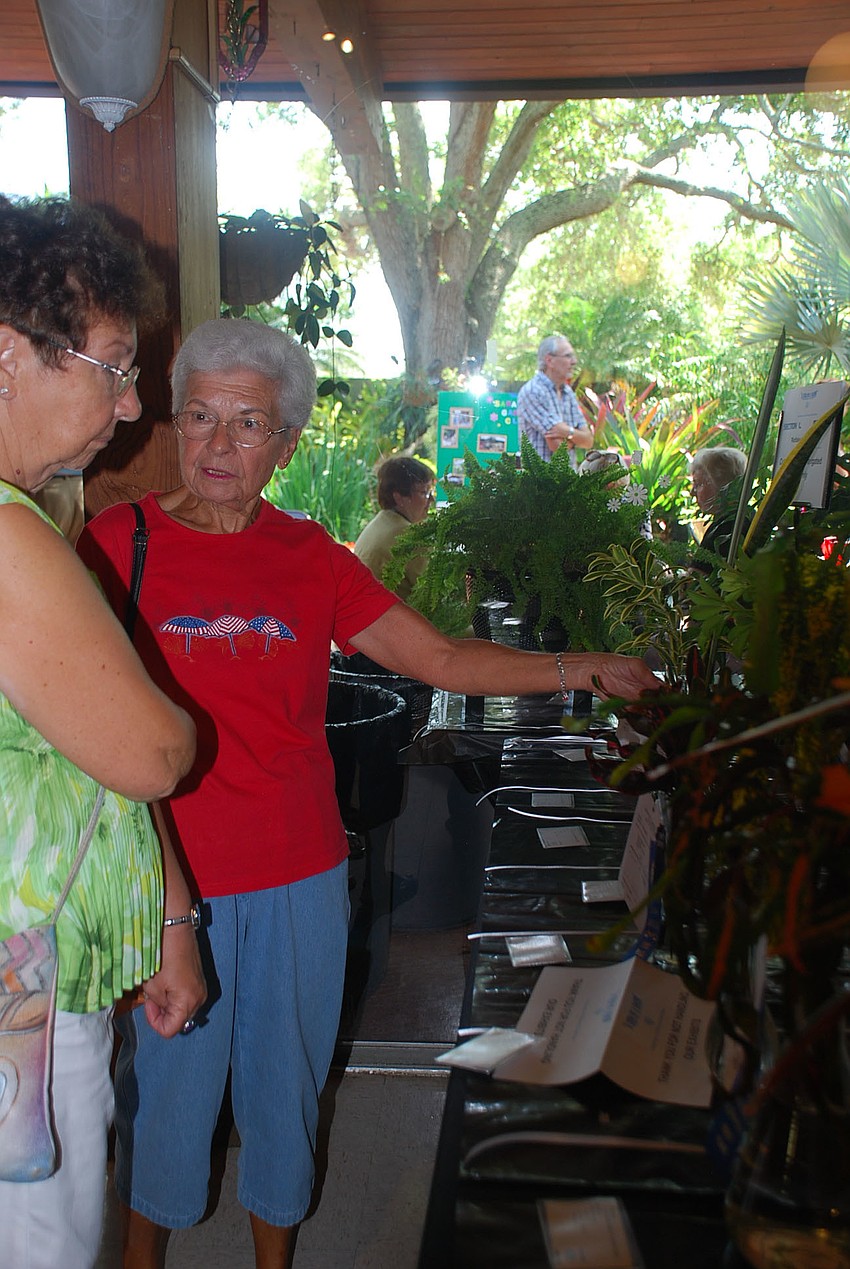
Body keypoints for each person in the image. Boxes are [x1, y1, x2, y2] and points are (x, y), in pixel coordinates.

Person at [76, 317, 659, 1269]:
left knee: (285, 1084)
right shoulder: (117, 543)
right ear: (175, 424)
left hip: (301, 869)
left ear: (287, 442)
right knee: (169, 1088)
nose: (218, 445)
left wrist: (582, 666)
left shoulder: (310, 556)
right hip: (169, 878)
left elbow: (438, 658)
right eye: (199, 417)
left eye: (247, 423)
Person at [0, 195, 201, 1269]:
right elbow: (151, 752)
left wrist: (171, 917)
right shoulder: (6, 538)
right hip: (16, 1005)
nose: (131, 411)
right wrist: (165, 703)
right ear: (9, 356)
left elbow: (73, 766)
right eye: (116, 368)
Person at [353, 455, 435, 599]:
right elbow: (435, 595)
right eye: (424, 492)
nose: (431, 500)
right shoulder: (409, 536)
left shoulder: (380, 523)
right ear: (399, 497)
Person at [516, 334, 595, 466]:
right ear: (549, 360)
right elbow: (557, 446)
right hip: (541, 483)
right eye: (568, 356)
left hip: (569, 481)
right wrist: (576, 436)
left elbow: (588, 440)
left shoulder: (568, 393)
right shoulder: (533, 391)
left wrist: (567, 432)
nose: (574, 361)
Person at [690, 445, 748, 558]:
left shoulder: (726, 528)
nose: (692, 492)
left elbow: (697, 575)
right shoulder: (739, 518)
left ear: (724, 485)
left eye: (698, 484)